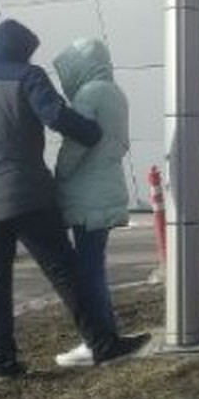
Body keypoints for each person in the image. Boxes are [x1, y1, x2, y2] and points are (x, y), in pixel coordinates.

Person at [0, 19, 149, 377]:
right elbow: (55, 115)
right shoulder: (27, 76)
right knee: (65, 272)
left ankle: (3, 363)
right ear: (21, 50)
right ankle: (104, 344)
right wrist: (89, 131)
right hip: (29, 196)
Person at [51, 37, 132, 368]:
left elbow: (76, 145)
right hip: (106, 189)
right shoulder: (115, 92)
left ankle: (96, 340)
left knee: (88, 273)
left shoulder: (90, 94)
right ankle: (106, 334)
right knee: (93, 268)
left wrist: (59, 178)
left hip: (87, 195)